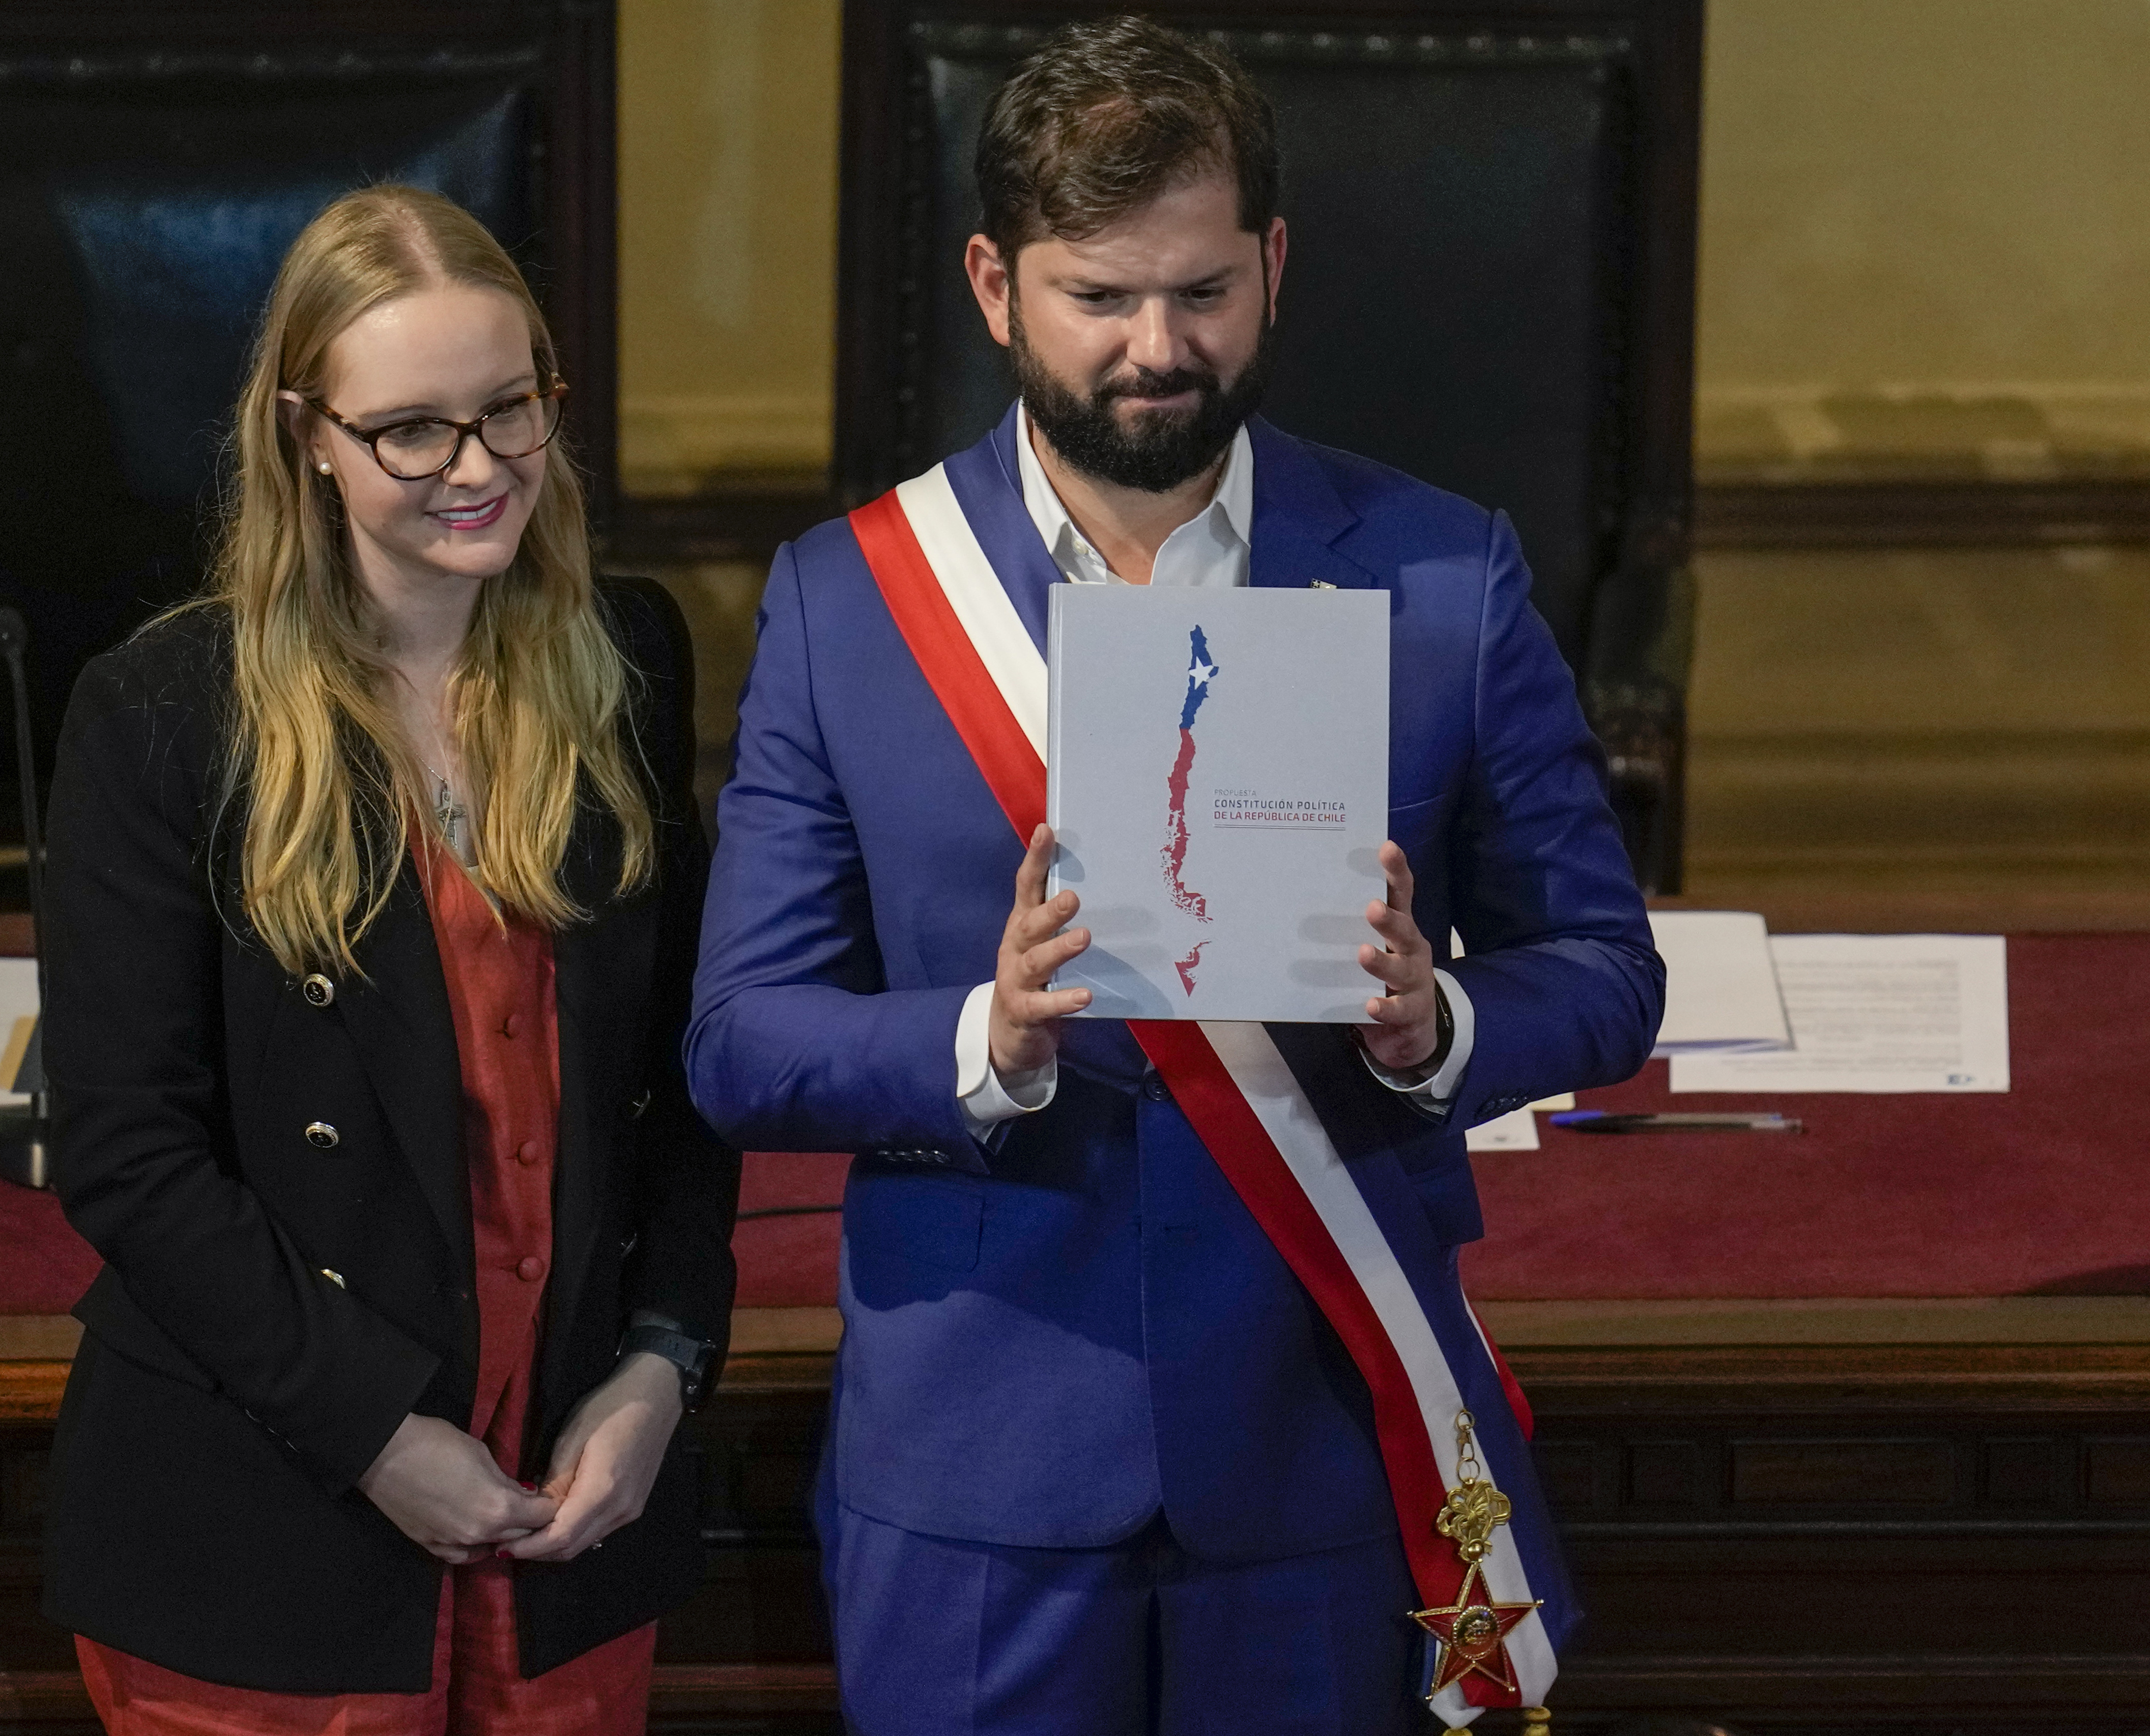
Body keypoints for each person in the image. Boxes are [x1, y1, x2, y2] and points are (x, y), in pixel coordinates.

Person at [685, 18, 1661, 1735]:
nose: (1158, 348)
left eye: (1203, 292)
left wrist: (1434, 1023)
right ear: (995, 286)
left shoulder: (1442, 573)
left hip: (1318, 1442)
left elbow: (1602, 968)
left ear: (1274, 267)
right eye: (1100, 297)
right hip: (978, 1464)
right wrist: (987, 1035)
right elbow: (742, 1039)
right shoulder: (847, 603)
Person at [39, 184, 738, 1735]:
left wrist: (664, 1363)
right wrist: (374, 1432)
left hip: (569, 1505)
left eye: (511, 411)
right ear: (309, 435)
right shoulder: (162, 713)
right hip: (276, 1511)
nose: (478, 469)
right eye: (413, 429)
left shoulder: (623, 658)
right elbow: (126, 1150)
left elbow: (687, 1081)